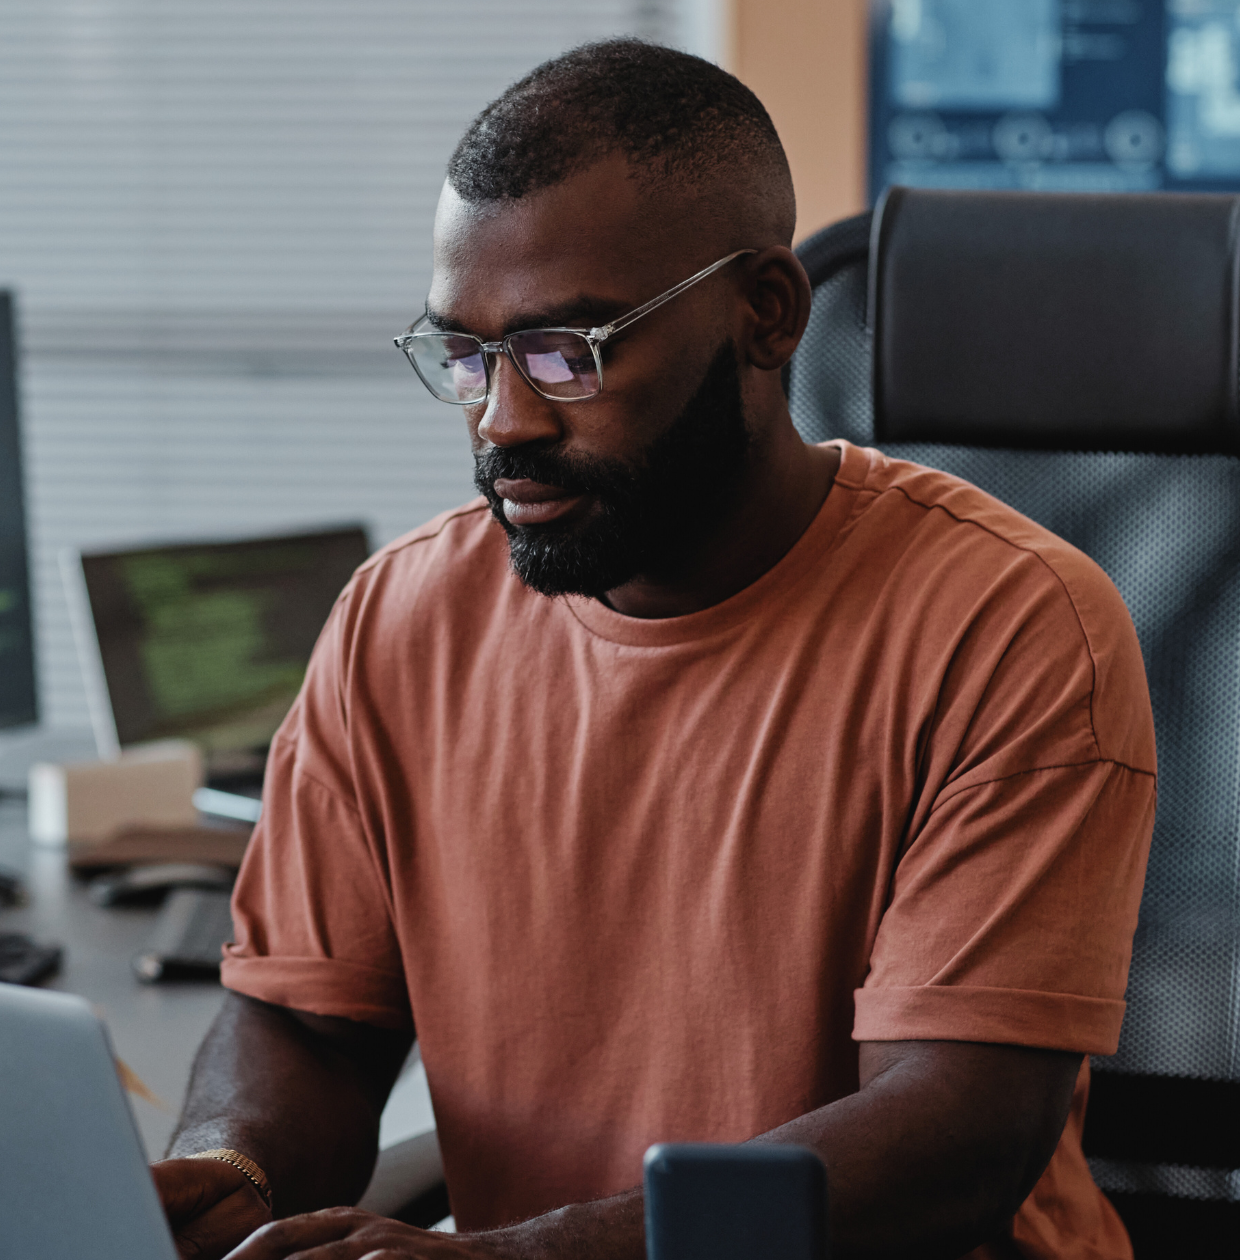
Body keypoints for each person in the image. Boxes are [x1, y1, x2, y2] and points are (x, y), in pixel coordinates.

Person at [150, 38, 1156, 1260]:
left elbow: (954, 1136)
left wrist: (510, 1258)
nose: (502, 422)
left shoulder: (1009, 625)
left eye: (567, 352)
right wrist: (229, 1166)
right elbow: (309, 1022)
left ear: (766, 314)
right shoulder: (397, 621)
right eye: (465, 357)